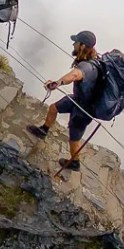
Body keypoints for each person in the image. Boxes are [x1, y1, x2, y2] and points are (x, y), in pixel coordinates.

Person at [27, 30, 100, 172]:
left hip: (84, 110)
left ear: (83, 46)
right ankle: (44, 130)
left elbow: (75, 75)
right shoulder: (92, 60)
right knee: (54, 108)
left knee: (74, 139)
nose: (74, 44)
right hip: (78, 99)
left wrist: (57, 83)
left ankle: (75, 163)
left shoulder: (87, 66)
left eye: (76, 42)